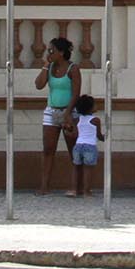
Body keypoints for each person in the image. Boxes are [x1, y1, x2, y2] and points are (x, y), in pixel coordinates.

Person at [34, 37, 79, 194]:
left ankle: (76, 185)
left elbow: (76, 93)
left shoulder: (73, 69)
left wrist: (68, 114)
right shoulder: (50, 67)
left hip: (68, 111)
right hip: (51, 110)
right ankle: (44, 186)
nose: (49, 53)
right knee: (48, 148)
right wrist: (46, 66)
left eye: (52, 50)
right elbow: (39, 85)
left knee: (73, 149)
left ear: (61, 52)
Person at [70, 93, 102, 197]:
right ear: (90, 108)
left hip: (78, 145)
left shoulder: (77, 119)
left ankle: (74, 190)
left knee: (76, 168)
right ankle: (86, 191)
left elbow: (75, 133)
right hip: (90, 146)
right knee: (88, 169)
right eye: (94, 104)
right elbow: (98, 135)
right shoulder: (95, 120)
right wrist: (104, 137)